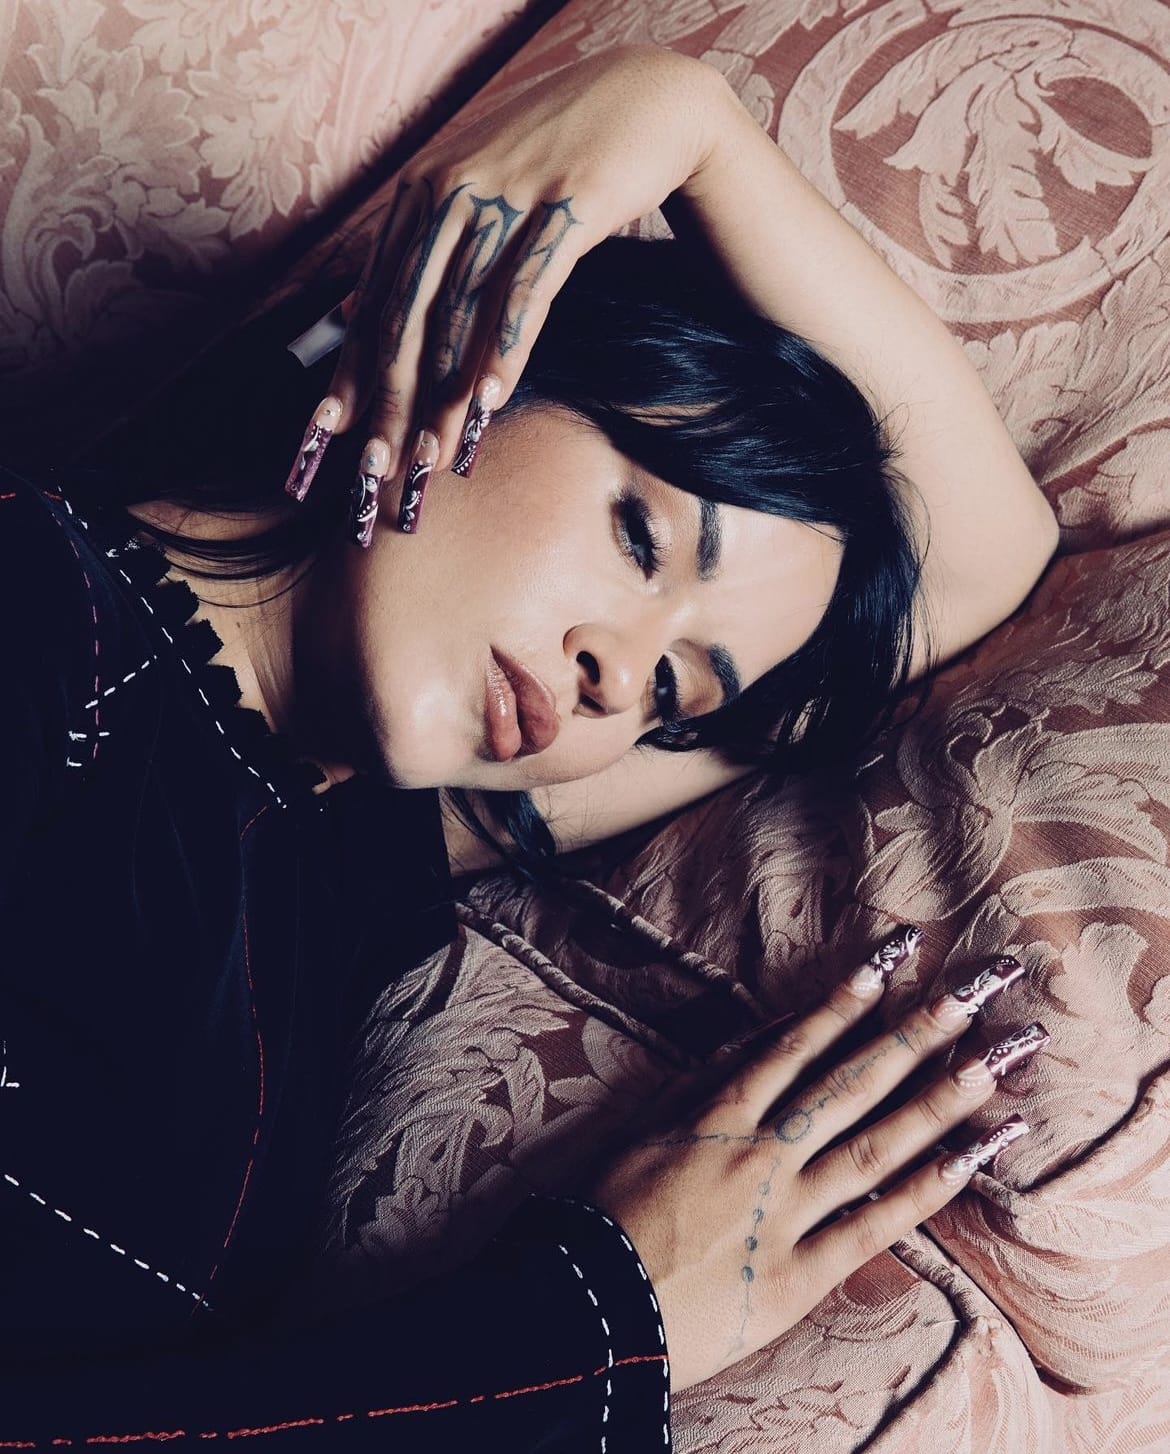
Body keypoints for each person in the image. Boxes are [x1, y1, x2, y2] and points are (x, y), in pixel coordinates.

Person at [0, 43, 1058, 1450]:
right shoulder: (36, 606)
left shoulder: (350, 858)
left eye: (677, 689)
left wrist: (703, 134)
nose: (619, 677)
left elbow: (972, 561)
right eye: (638, 536)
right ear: (455, 356)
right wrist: (589, 1328)